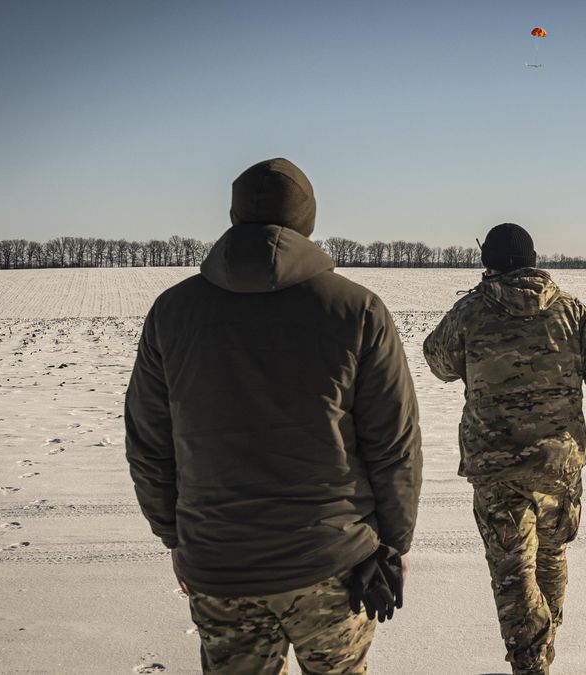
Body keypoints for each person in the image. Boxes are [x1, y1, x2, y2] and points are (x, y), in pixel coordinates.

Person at [125, 158, 422, 675]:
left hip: (220, 563)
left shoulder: (172, 312)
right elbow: (394, 444)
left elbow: (149, 444)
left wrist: (176, 537)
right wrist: (394, 544)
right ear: (308, 220)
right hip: (332, 563)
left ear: (235, 216)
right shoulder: (357, 309)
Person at [422, 223, 586, 675]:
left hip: (496, 465)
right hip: (558, 464)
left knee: (513, 570)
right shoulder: (571, 312)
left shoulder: (471, 311)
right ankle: (543, 644)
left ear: (489, 262)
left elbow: (439, 362)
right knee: (550, 556)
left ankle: (532, 660)